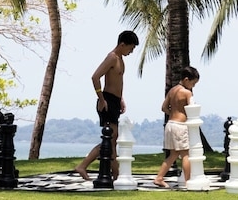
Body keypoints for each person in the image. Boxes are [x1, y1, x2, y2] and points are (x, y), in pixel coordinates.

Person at [73, 30, 139, 180]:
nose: (131, 51)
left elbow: (117, 82)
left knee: (113, 140)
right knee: (109, 139)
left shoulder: (121, 59)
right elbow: (95, 77)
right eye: (131, 48)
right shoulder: (112, 57)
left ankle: (115, 174)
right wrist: (102, 99)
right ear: (122, 44)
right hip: (107, 101)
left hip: (115, 101)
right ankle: (83, 166)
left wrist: (121, 99)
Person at [153, 66, 200, 188]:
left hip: (170, 124)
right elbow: (192, 108)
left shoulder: (172, 91)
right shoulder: (187, 93)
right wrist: (182, 115)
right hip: (180, 126)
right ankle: (188, 181)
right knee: (185, 154)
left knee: (173, 154)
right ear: (186, 79)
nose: (193, 86)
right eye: (193, 83)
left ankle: (159, 177)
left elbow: (163, 108)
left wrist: (174, 112)